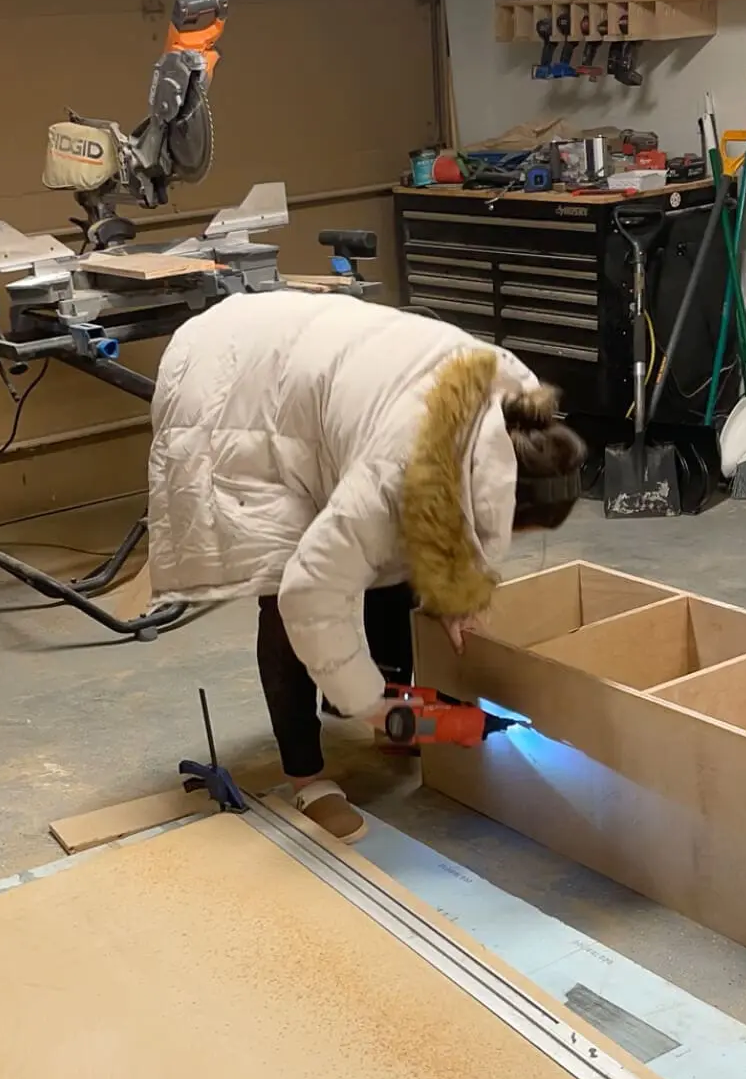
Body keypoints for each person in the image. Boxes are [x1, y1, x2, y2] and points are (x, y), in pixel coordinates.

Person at [147, 291, 586, 842]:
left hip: (310, 372)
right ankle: (307, 780)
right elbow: (309, 597)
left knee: (390, 550)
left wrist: (454, 595)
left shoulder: (505, 408)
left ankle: (391, 713)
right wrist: (367, 702)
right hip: (233, 389)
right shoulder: (393, 470)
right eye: (515, 529)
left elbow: (442, 524)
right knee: (285, 579)